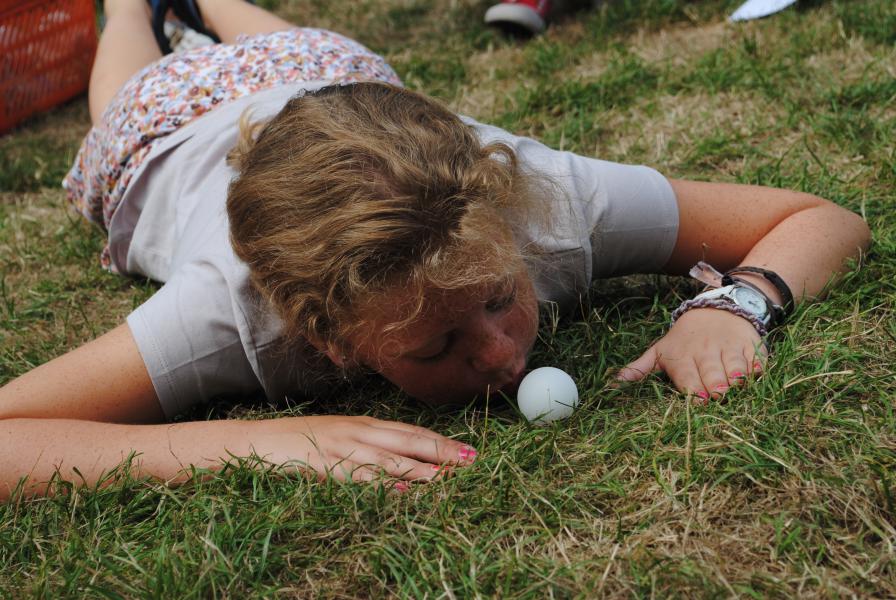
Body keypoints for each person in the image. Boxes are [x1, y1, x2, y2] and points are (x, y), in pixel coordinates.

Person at [0, 0, 870, 500]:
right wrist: (252, 443)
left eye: (500, 297)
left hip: (325, 74)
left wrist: (736, 301)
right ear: (329, 341)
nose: (501, 354)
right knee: (129, 78)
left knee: (283, 44)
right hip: (167, 134)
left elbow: (821, 216)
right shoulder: (228, 316)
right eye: (436, 344)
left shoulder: (544, 202)